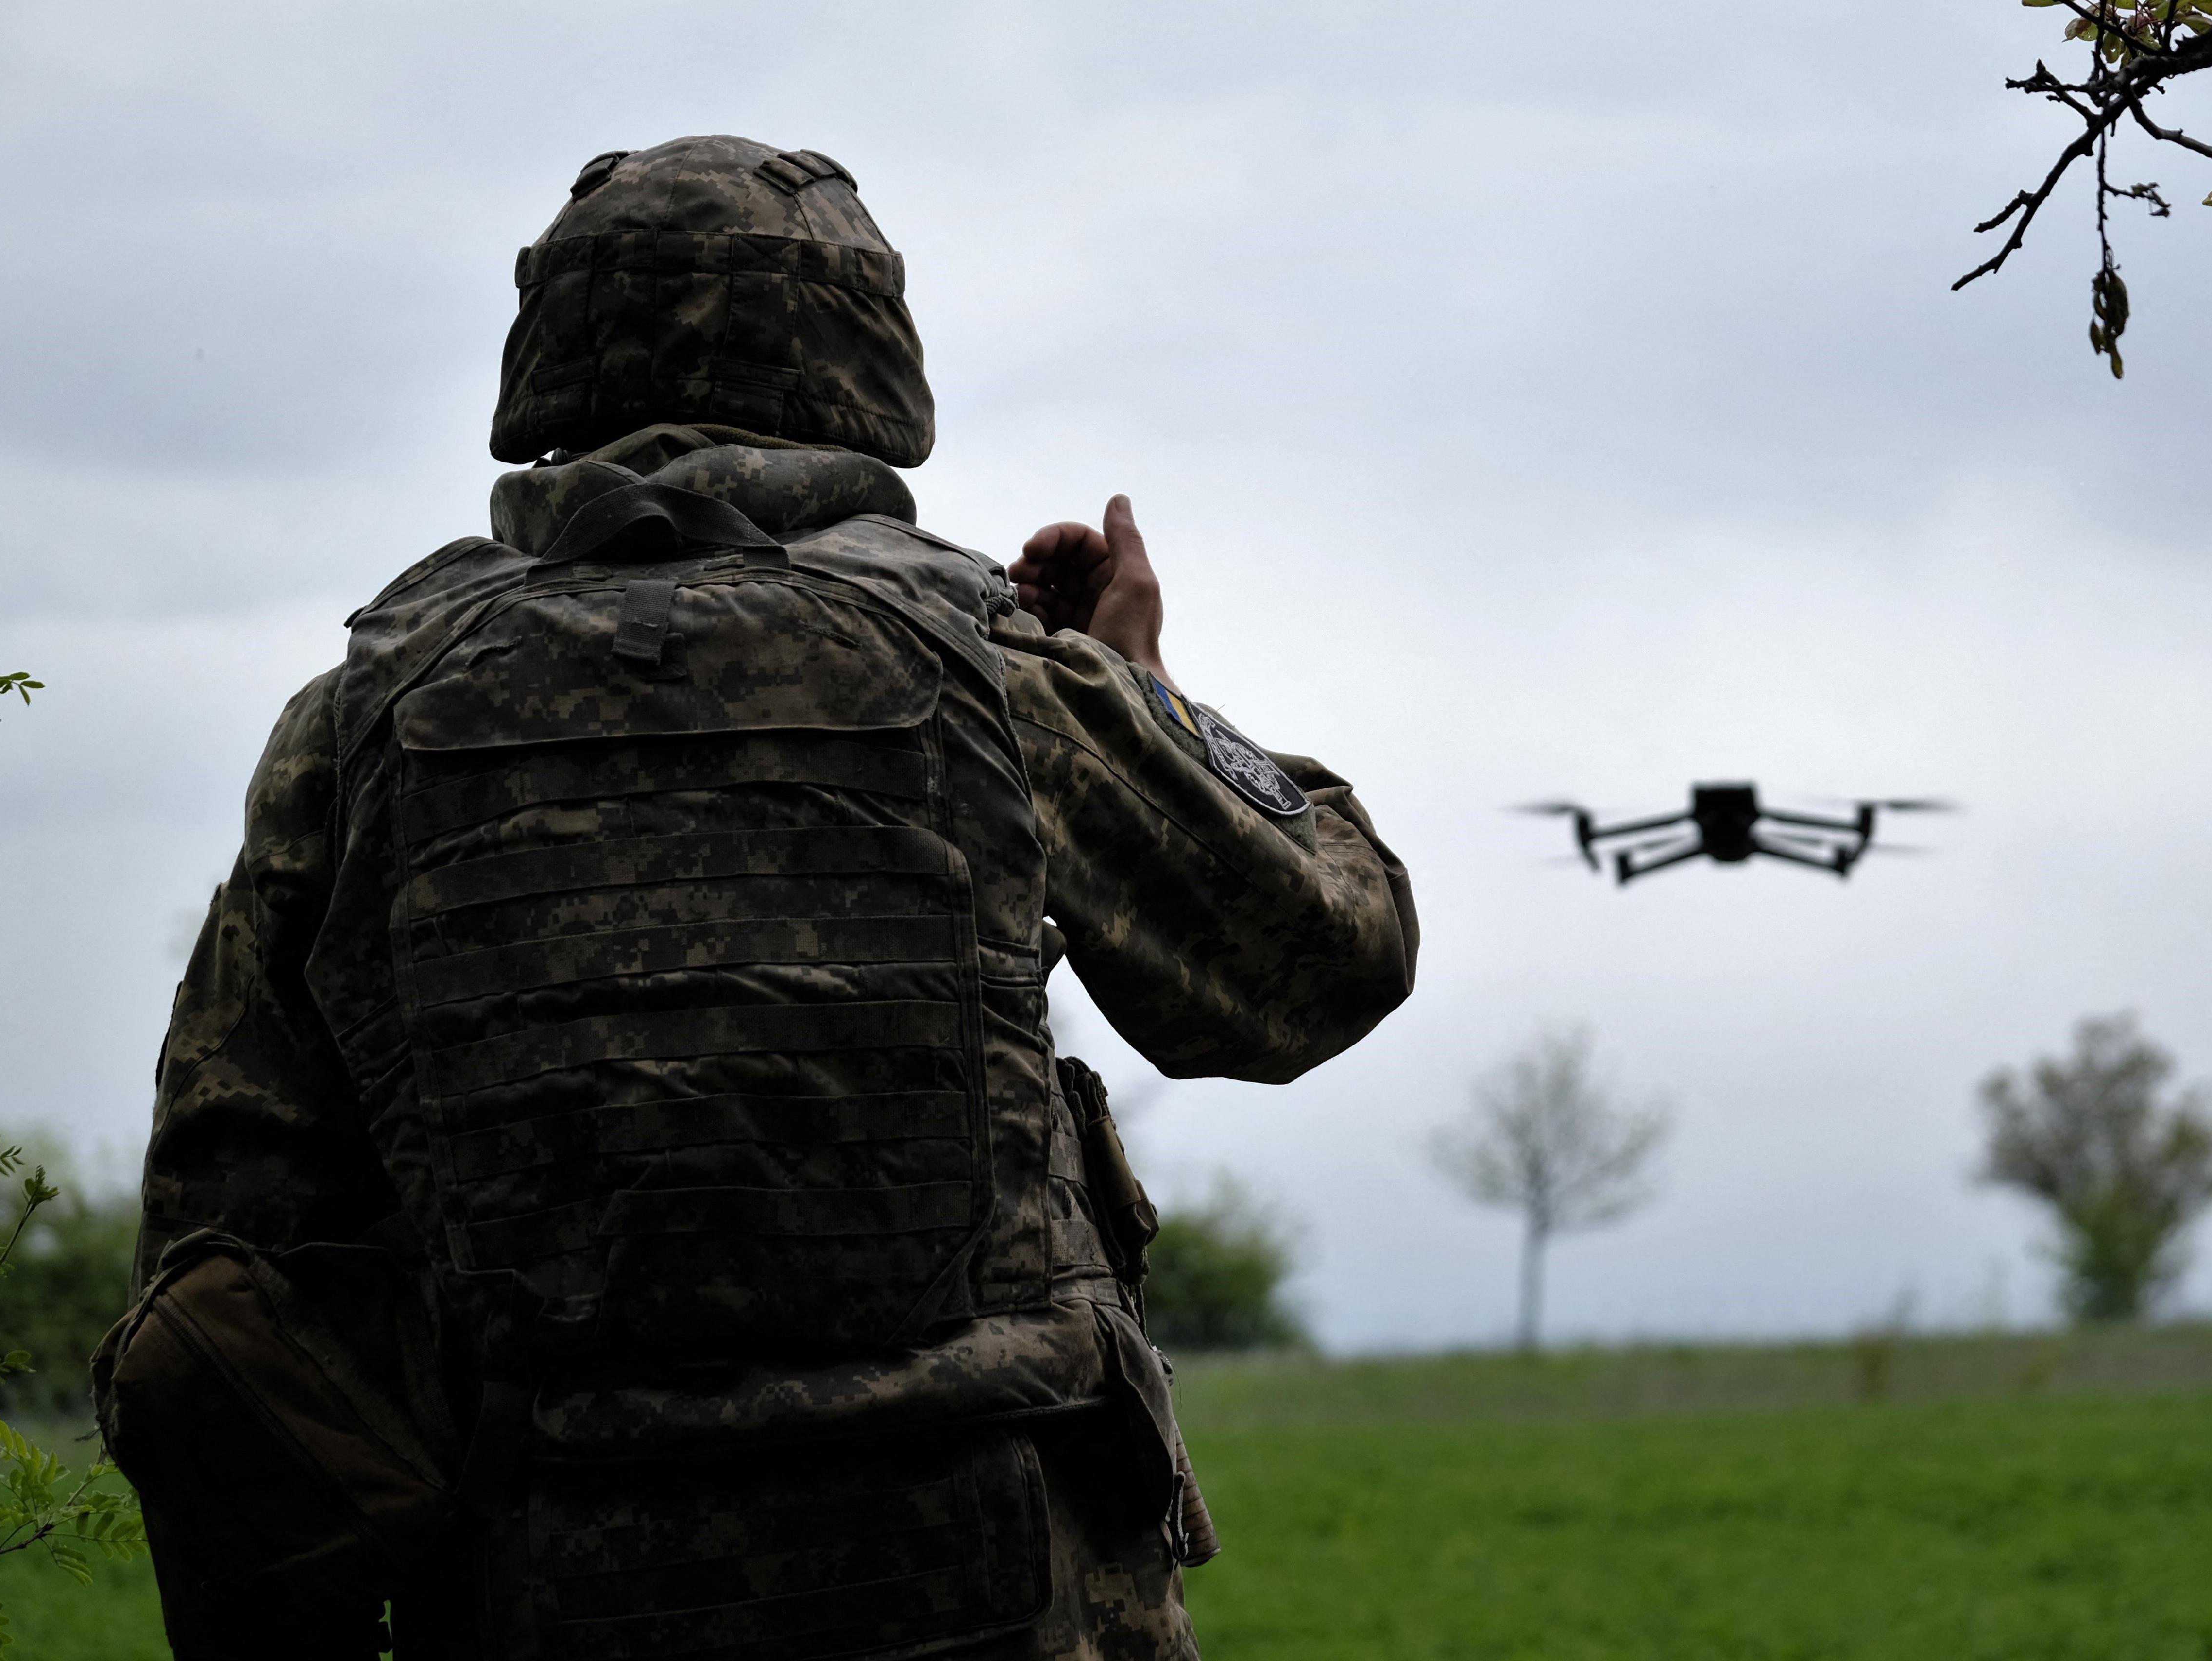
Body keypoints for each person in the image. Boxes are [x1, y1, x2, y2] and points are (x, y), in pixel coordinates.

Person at [93, 134, 1418, 1661]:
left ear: (552, 360)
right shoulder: (989, 669)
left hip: (548, 1575)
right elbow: (1338, 945)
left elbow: (224, 1231)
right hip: (992, 1581)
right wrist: (1136, 687)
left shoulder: (362, 722)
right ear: (864, 355)